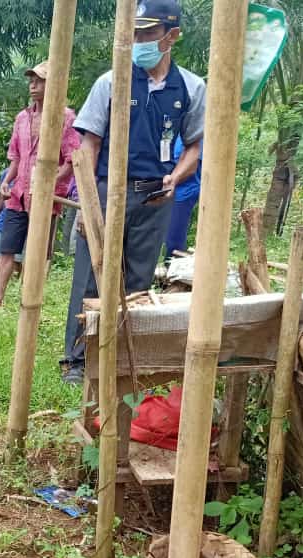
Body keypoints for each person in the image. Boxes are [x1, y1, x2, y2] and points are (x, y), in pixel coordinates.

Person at [61, 0, 205, 384]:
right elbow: (89, 144)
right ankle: (77, 360)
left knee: (139, 278)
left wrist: (176, 176)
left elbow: (194, 144)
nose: (139, 40)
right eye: (135, 32)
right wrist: (86, 202)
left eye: (148, 33)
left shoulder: (191, 87)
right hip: (109, 189)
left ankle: (127, 356)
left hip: (155, 196)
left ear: (171, 36)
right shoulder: (111, 82)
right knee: (91, 275)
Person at [0, 62, 79, 312]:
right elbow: (16, 157)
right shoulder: (22, 117)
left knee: (38, 249)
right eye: (31, 81)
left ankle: (32, 297)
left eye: (40, 81)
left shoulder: (66, 117)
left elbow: (73, 158)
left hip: (46, 195)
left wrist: (52, 181)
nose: (33, 85)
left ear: (52, 84)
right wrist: (6, 181)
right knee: (7, 246)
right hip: (19, 193)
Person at [163, 135, 202, 261]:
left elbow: (191, 167)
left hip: (183, 192)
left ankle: (172, 273)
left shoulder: (196, 129)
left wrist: (170, 182)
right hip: (169, 190)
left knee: (172, 242)